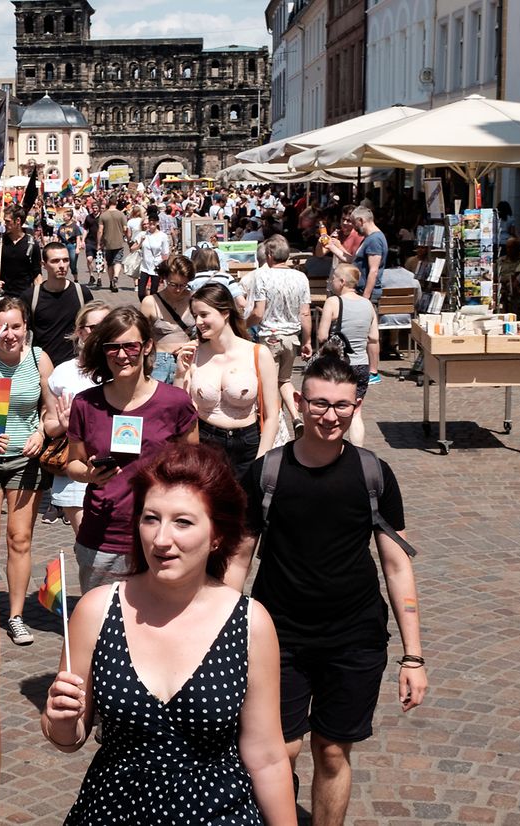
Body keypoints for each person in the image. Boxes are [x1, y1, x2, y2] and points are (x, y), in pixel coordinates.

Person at [43, 442, 296, 825]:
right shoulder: (96, 610)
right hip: (112, 812)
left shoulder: (250, 623)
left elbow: (267, 756)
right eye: (150, 519)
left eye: (183, 522)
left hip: (219, 814)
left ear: (216, 535)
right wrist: (61, 721)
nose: (161, 539)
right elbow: (69, 737)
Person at [234, 353, 428, 826]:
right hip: (279, 637)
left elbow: (397, 568)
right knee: (280, 749)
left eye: (342, 405)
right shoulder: (265, 475)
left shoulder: (373, 475)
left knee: (333, 751)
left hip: (354, 636)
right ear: (299, 403)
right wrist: (221, 636)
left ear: (357, 405)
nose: (330, 415)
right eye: (319, 403)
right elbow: (237, 562)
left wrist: (414, 656)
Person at [65, 307, 198, 591]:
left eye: (130, 346)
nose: (122, 355)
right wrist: (89, 474)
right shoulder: (86, 404)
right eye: (113, 347)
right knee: (102, 623)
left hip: (160, 537)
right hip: (103, 535)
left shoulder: (175, 403)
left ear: (147, 346)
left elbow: (194, 469)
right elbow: (72, 463)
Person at [0, 297, 60, 646]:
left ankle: (16, 615)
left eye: (16, 326)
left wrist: (41, 433)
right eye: (2, 327)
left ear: (26, 329)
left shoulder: (38, 359)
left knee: (19, 539)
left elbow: (52, 414)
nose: (9, 334)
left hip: (25, 458)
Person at [175, 283, 279, 480]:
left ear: (225, 313)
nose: (198, 322)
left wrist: (261, 460)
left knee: (247, 507)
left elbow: (272, 415)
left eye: (204, 314)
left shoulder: (258, 353)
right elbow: (179, 409)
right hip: (206, 441)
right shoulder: (194, 354)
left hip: (248, 444)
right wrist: (180, 373)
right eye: (195, 315)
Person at [45, 301, 110, 533]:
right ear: (80, 331)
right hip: (76, 472)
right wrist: (63, 425)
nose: (101, 333)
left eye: (107, 325)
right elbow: (49, 425)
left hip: (117, 470)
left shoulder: (122, 367)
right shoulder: (63, 372)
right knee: (87, 543)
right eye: (94, 327)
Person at [247, 236, 313, 436]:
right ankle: (295, 416)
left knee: (268, 383)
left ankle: (276, 428)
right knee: (284, 380)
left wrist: (242, 326)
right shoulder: (301, 277)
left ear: (269, 255)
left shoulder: (262, 276)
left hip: (270, 336)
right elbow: (305, 313)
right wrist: (307, 340)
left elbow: (258, 312)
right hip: (291, 336)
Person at [317, 265, 379, 446]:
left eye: (333, 279)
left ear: (342, 282)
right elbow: (374, 337)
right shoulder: (367, 304)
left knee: (331, 409)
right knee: (356, 411)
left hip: (338, 365)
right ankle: (358, 452)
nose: (331, 282)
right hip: (361, 364)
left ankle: (330, 448)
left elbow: (322, 335)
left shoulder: (333, 302)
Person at [29, 242, 95, 366]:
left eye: (65, 260)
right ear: (44, 265)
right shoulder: (31, 296)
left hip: (76, 366)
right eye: (55, 261)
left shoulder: (82, 293)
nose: (62, 265)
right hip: (42, 367)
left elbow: (94, 328)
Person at [141, 254, 195, 385]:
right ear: (164, 278)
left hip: (188, 360)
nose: (177, 289)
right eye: (173, 284)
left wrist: (194, 344)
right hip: (159, 363)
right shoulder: (150, 302)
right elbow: (141, 335)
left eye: (183, 285)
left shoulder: (194, 299)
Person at [327, 207, 386, 300]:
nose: (354, 228)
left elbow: (373, 271)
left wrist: (365, 298)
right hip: (359, 292)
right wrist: (331, 247)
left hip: (366, 294)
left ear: (361, 221)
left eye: (354, 223)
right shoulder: (368, 238)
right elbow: (352, 260)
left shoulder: (375, 240)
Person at [0, 207, 41, 298]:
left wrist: (39, 296)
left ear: (18, 221)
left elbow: (37, 274)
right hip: (3, 295)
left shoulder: (32, 244)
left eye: (7, 221)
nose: (4, 224)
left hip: (25, 296)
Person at [97, 199, 129, 293]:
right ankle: (116, 277)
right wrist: (125, 236)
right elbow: (125, 228)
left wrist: (99, 243)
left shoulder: (103, 215)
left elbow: (100, 231)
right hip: (118, 242)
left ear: (108, 203)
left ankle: (111, 282)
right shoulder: (121, 214)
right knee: (118, 261)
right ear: (116, 203)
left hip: (107, 243)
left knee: (110, 263)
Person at [136, 213, 171, 299]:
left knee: (153, 292)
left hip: (156, 266)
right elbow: (132, 248)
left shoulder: (163, 236)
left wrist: (164, 270)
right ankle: (145, 304)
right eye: (150, 223)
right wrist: (139, 242)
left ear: (157, 223)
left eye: (153, 223)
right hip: (144, 266)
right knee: (141, 292)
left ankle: (151, 308)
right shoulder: (143, 235)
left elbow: (165, 254)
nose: (151, 225)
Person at [55, 208, 84, 280]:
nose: (63, 217)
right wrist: (55, 245)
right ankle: (62, 278)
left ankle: (76, 279)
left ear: (69, 217)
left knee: (72, 264)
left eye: (64, 216)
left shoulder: (75, 226)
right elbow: (58, 237)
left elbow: (78, 237)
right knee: (62, 263)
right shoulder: (61, 226)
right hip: (63, 246)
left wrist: (77, 248)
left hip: (72, 246)